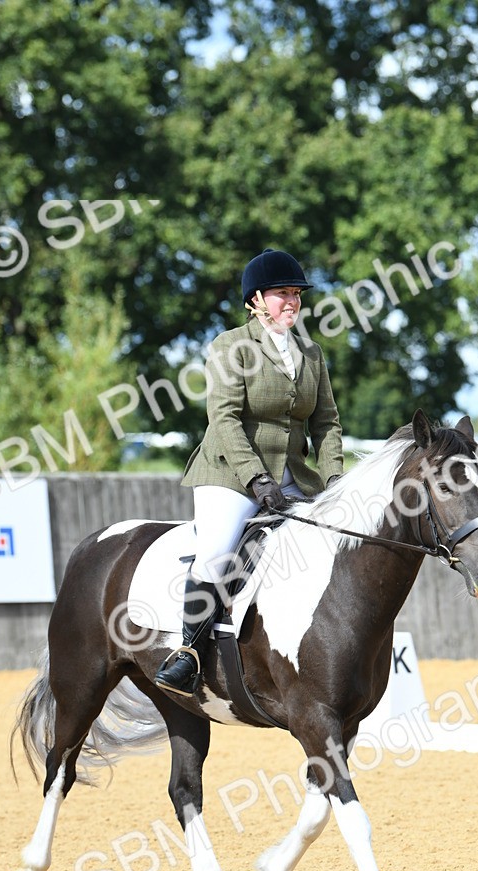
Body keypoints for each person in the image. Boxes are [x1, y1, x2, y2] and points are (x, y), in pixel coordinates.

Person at [155, 248, 344, 697]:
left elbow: (326, 424)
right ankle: (189, 653)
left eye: (296, 294)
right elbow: (224, 419)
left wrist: (336, 480)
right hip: (231, 473)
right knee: (218, 553)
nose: (292, 303)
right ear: (255, 300)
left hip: (294, 476)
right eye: (282, 294)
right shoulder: (231, 347)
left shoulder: (311, 354)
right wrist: (257, 479)